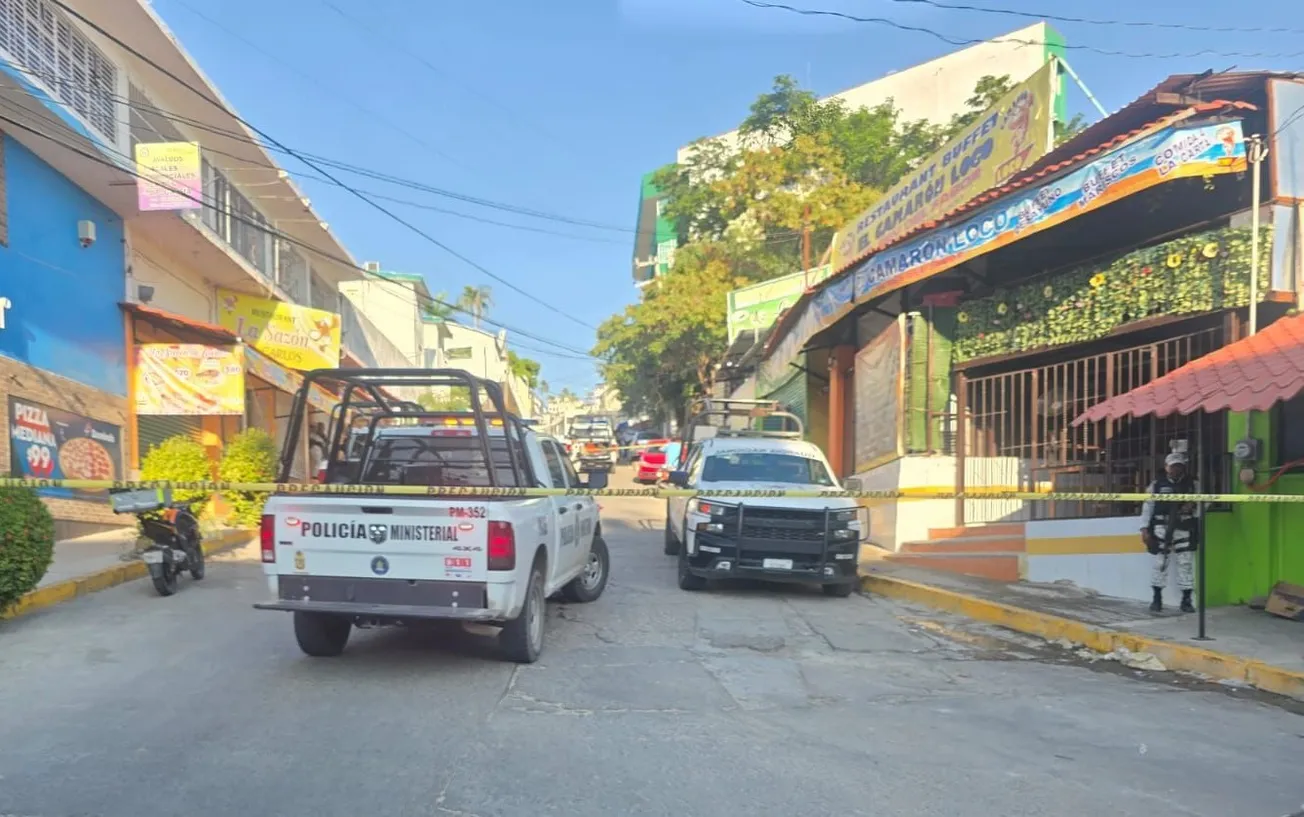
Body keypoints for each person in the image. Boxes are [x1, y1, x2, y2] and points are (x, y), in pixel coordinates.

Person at [1139, 451, 1200, 613]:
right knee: (1161, 562)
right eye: (1173, 466)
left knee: (1185, 562)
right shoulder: (1156, 485)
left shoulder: (1193, 484)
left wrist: (1192, 507)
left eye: (1179, 465)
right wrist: (1144, 529)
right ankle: (1157, 598)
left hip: (1184, 525)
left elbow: (1204, 503)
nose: (1176, 469)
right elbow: (1148, 507)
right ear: (1166, 467)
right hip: (1161, 526)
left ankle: (1186, 600)